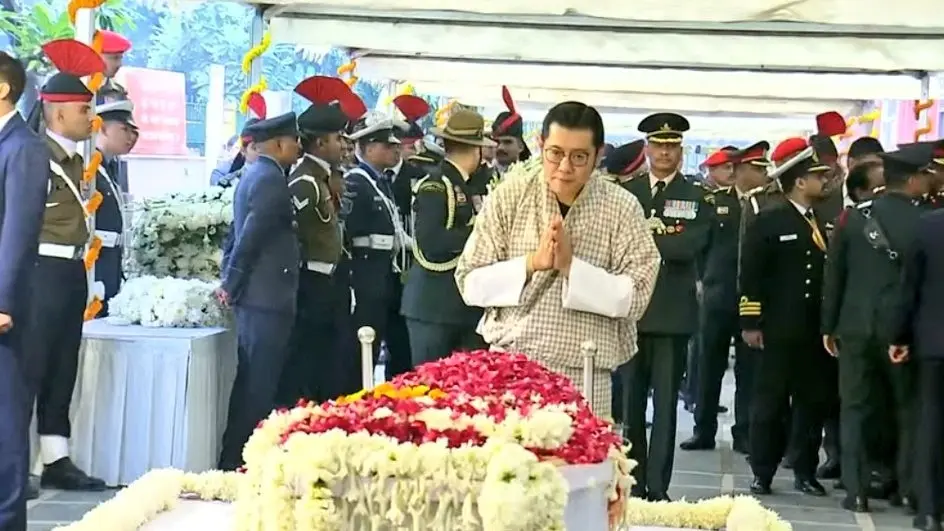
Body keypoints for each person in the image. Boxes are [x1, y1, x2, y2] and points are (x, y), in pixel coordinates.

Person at [455, 100, 660, 420]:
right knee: (510, 467)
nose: (565, 167)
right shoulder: (511, 194)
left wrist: (571, 268)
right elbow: (469, 282)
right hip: (513, 369)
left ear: (598, 155)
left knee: (585, 466)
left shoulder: (622, 207)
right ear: (539, 146)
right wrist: (531, 263)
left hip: (587, 373)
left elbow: (637, 296)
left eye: (579, 157)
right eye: (555, 153)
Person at [821, 142, 937, 514]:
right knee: (908, 410)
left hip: (853, 326)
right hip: (901, 330)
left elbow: (834, 273)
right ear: (915, 180)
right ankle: (906, 489)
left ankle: (856, 490)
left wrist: (829, 325)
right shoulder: (925, 220)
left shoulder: (853, 217)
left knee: (854, 407)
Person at [20, 39, 106, 492]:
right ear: (56, 114)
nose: (90, 119)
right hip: (39, 273)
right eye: (83, 110)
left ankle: (56, 458)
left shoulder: (73, 161)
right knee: (30, 368)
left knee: (62, 368)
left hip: (71, 272)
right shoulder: (35, 157)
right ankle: (21, 464)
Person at [617, 113, 711, 501]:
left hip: (672, 315)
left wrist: (645, 245)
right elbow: (616, 244)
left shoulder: (696, 197)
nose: (664, 153)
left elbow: (688, 246)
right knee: (630, 405)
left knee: (667, 408)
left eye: (671, 147)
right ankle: (632, 483)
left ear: (681, 151)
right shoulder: (629, 193)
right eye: (658, 146)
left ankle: (659, 486)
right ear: (647, 149)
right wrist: (654, 244)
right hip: (632, 312)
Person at [740, 136, 835, 497]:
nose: (824, 182)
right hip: (777, 329)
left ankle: (805, 471)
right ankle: (762, 471)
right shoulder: (769, 220)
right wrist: (750, 322)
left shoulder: (823, 221)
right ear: (799, 181)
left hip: (814, 331)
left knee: (812, 403)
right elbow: (750, 275)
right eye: (817, 176)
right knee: (770, 403)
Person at [216, 112, 300, 470]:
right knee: (257, 386)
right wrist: (231, 282)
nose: (299, 147)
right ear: (279, 144)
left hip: (261, 295)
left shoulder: (259, 175)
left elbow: (237, 234)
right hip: (265, 297)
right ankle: (240, 461)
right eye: (295, 141)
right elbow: (250, 237)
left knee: (256, 381)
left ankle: (239, 457)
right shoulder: (269, 179)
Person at [680, 141, 770, 454]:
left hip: (754, 299)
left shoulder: (769, 205)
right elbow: (698, 246)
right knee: (709, 365)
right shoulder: (715, 202)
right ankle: (703, 429)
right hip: (717, 295)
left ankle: (744, 432)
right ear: (738, 169)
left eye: (764, 168)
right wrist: (699, 281)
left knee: (750, 370)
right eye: (756, 168)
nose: (762, 174)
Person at [0, 51, 54, 530]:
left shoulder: (23, 147)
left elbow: (17, 229)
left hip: (5, 310)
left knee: (6, 421)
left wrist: (3, 302)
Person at [277, 76, 351, 405]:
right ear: (320, 143)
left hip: (329, 280)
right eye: (337, 138)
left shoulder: (323, 177)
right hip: (312, 282)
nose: (344, 145)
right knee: (309, 361)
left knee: (329, 361)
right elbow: (297, 237)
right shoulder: (305, 181)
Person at [401, 110, 494, 366]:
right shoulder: (436, 184)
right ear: (474, 149)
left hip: (462, 308)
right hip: (433, 306)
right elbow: (432, 242)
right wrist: (482, 235)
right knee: (430, 389)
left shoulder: (468, 184)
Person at [342, 110, 412, 379]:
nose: (396, 150)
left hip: (384, 277)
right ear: (369, 148)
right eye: (388, 145)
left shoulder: (380, 182)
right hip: (364, 278)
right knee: (362, 351)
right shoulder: (357, 183)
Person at [890, 206, 944, 531]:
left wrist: (899, 336)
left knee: (931, 425)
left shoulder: (928, 227)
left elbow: (908, 289)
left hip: (934, 344)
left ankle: (929, 510)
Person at [93, 99, 137, 314]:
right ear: (101, 127)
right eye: (124, 130)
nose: (131, 138)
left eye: (134, 132)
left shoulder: (111, 166)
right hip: (96, 262)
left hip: (111, 261)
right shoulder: (87, 166)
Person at [491, 86, 531, 172]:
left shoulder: (533, 178)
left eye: (507, 142)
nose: (500, 147)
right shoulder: (480, 178)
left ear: (520, 146)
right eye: (496, 142)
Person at [95, 30, 131, 104]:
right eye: (115, 58)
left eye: (120, 58)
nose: (119, 64)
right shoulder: (76, 89)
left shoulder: (118, 93)